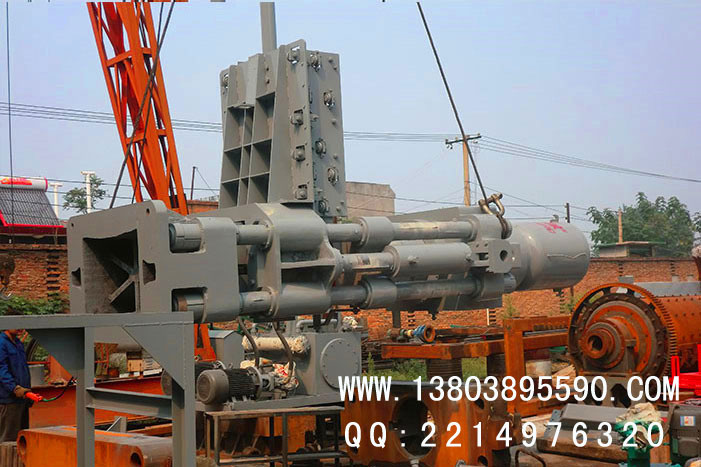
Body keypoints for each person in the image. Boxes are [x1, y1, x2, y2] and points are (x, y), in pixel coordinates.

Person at [0, 308, 31, 442]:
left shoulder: (18, 343)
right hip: (8, 400)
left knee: (22, 439)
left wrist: (27, 391)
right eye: (17, 323)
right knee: (8, 440)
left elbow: (23, 368)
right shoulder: (1, 343)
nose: (20, 328)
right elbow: (1, 369)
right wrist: (14, 388)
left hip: (22, 398)